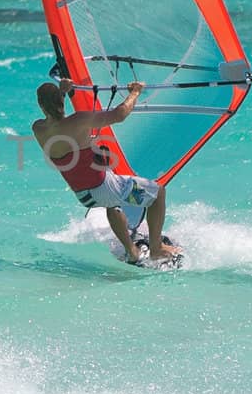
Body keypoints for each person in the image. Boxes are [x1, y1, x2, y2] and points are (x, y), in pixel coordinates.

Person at [32, 77, 182, 265]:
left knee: (113, 203)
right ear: (60, 101)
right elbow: (119, 115)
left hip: (84, 195)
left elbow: (56, 115)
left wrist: (62, 92)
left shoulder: (38, 128)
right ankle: (156, 248)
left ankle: (131, 251)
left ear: (40, 104)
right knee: (158, 192)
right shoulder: (79, 120)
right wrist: (135, 92)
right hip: (103, 187)